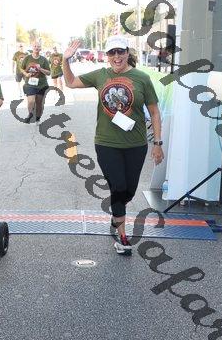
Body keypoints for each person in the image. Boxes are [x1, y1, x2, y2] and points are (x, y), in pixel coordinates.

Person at [61, 36, 164, 256]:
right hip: (106, 143)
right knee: (117, 186)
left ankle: (117, 215)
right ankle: (123, 237)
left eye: (120, 51)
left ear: (127, 53)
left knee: (129, 190)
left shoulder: (142, 78)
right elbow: (70, 82)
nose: (116, 56)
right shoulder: (101, 75)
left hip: (136, 144)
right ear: (107, 56)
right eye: (111, 52)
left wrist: (157, 143)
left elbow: (154, 112)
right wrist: (65, 60)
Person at [20, 41, 51, 123]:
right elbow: (21, 68)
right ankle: (30, 114)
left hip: (41, 84)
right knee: (31, 101)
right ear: (32, 47)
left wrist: (40, 69)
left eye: (38, 46)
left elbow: (49, 72)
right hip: (30, 84)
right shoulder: (27, 58)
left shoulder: (44, 59)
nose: (36, 48)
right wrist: (26, 74)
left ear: (40, 48)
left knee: (39, 103)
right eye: (35, 46)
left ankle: (37, 118)